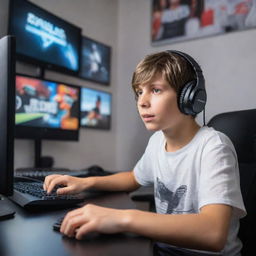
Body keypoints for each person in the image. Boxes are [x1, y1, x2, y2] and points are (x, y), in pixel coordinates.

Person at [44, 50, 246, 256]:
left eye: (156, 90)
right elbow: (133, 178)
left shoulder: (213, 146)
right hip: (164, 249)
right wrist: (86, 182)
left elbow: (213, 233)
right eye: (139, 92)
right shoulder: (158, 141)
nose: (142, 102)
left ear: (190, 97)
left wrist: (123, 219)